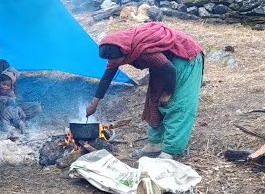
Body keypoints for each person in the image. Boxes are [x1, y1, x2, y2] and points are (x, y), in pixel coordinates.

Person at [85, 22, 204, 159]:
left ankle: (171, 151)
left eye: (116, 60)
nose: (113, 62)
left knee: (177, 104)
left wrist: (168, 93)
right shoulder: (117, 48)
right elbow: (107, 77)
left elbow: (170, 70)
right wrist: (94, 104)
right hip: (164, 63)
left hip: (184, 58)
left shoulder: (144, 51)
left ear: (125, 53)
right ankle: (155, 144)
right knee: (154, 100)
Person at [0, 67, 26, 134]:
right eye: (3, 84)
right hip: (0, 109)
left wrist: (9, 100)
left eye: (7, 85)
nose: (5, 87)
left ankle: (21, 128)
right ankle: (8, 131)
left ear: (11, 86)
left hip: (11, 109)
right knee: (5, 120)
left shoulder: (11, 91)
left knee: (17, 118)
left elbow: (14, 99)